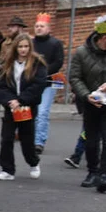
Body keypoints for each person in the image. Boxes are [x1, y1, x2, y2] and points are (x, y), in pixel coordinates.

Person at [0, 33, 48, 181]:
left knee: (27, 140)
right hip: (12, 107)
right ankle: (7, 170)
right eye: (20, 46)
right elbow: (1, 86)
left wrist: (21, 100)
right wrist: (10, 100)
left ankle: (33, 162)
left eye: (26, 46)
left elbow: (38, 85)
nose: (23, 50)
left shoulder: (37, 63)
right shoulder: (8, 63)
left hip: (27, 107)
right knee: (7, 138)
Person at [68, 15, 106, 190]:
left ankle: (104, 174)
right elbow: (75, 77)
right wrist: (87, 95)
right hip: (90, 103)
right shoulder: (81, 52)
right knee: (91, 140)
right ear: (104, 36)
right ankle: (92, 171)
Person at [32, 13, 64, 152]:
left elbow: (58, 62)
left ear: (48, 28)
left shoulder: (56, 43)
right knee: (31, 111)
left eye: (42, 26)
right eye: (37, 26)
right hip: (32, 81)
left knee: (43, 111)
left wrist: (43, 72)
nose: (39, 28)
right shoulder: (30, 43)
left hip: (49, 81)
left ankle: (39, 141)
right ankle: (29, 136)